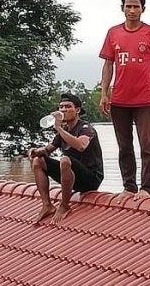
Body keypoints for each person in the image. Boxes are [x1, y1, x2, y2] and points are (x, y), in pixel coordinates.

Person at [99, 0, 150, 199]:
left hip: (144, 99)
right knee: (124, 145)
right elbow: (108, 64)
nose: (132, 10)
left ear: (143, 9)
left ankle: (146, 188)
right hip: (119, 98)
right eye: (128, 6)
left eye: (136, 6)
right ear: (122, 8)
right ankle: (129, 187)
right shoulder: (113, 33)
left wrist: (147, 80)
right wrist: (104, 93)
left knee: (146, 144)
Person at [28, 93, 104, 224]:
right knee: (38, 161)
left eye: (68, 107)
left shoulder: (86, 128)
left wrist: (58, 129)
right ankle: (47, 205)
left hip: (90, 178)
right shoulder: (64, 130)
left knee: (64, 160)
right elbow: (48, 150)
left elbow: (81, 146)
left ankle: (64, 205)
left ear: (77, 110)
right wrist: (35, 151)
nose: (63, 110)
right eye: (61, 107)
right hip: (71, 174)